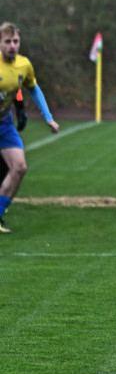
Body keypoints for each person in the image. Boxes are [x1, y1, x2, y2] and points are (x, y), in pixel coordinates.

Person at [0, 23, 60, 234]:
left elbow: (32, 89)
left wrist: (48, 118)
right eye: (7, 41)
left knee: (19, 168)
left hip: (4, 125)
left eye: (15, 41)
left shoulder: (24, 65)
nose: (12, 45)